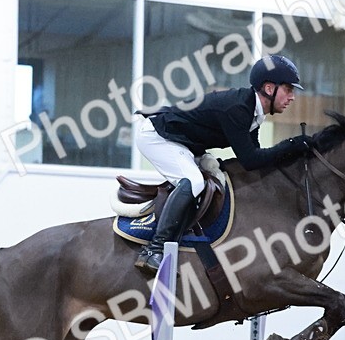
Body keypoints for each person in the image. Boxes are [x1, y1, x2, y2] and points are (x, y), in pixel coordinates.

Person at [133, 54, 311, 276]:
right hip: (157, 136)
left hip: (185, 144)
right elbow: (250, 160)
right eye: (288, 89)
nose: (292, 97)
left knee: (218, 178)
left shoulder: (254, 114)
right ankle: (154, 250)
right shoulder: (237, 109)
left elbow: (254, 160)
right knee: (193, 181)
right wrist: (292, 145)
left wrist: (293, 154)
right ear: (268, 88)